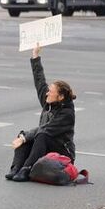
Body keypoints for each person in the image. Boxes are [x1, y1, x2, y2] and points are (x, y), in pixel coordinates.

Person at [7, 43, 76, 181]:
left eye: (51, 92)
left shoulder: (67, 113)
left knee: (40, 135)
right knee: (27, 137)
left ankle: (26, 169)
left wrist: (24, 137)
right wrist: (35, 56)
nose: (47, 94)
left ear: (60, 96)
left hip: (63, 152)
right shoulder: (49, 102)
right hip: (46, 145)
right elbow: (40, 81)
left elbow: (46, 129)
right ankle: (16, 168)